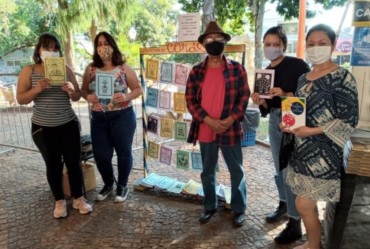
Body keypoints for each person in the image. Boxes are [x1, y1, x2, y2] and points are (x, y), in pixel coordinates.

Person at [281, 24, 359, 249]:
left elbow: (349, 120)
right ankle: (312, 242)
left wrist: (311, 130)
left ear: (333, 45)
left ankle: (314, 246)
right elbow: (299, 109)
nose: (316, 48)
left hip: (324, 152)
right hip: (301, 149)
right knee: (307, 202)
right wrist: (288, 122)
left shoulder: (343, 77)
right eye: (311, 44)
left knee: (303, 204)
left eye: (322, 43)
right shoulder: (304, 78)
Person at [16, 33, 92, 218]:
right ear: (39, 50)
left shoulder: (65, 69)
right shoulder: (29, 70)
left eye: (54, 48)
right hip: (43, 128)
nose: (51, 51)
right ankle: (59, 201)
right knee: (53, 164)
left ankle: (78, 198)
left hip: (68, 124)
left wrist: (72, 91)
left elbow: (77, 96)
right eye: (47, 47)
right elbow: (21, 99)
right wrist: (37, 88)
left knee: (74, 162)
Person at [186, 21, 250, 227]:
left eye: (218, 39)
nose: (214, 42)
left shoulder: (237, 69)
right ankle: (209, 206)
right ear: (204, 43)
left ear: (225, 42)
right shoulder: (196, 71)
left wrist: (230, 119)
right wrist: (209, 120)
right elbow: (190, 100)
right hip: (205, 128)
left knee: (236, 171)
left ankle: (239, 208)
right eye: (209, 39)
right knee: (207, 170)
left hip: (230, 128)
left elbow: (244, 96)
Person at [251, 26, 310, 244]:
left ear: (283, 44)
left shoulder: (297, 65)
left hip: (294, 121)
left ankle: (295, 222)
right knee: (279, 167)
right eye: (267, 44)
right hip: (276, 120)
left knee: (289, 170)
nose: (271, 48)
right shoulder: (265, 72)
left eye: (275, 44)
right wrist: (262, 101)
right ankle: (284, 203)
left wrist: (285, 94)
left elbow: (308, 93)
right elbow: (267, 107)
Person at [81, 31, 142, 203]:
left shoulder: (123, 67)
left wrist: (126, 97)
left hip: (122, 116)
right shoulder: (91, 69)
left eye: (105, 43)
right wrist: (88, 97)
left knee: (123, 152)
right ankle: (108, 184)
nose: (102, 47)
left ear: (112, 45)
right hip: (99, 118)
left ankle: (122, 185)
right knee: (101, 155)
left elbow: (137, 89)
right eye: (99, 44)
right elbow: (84, 90)